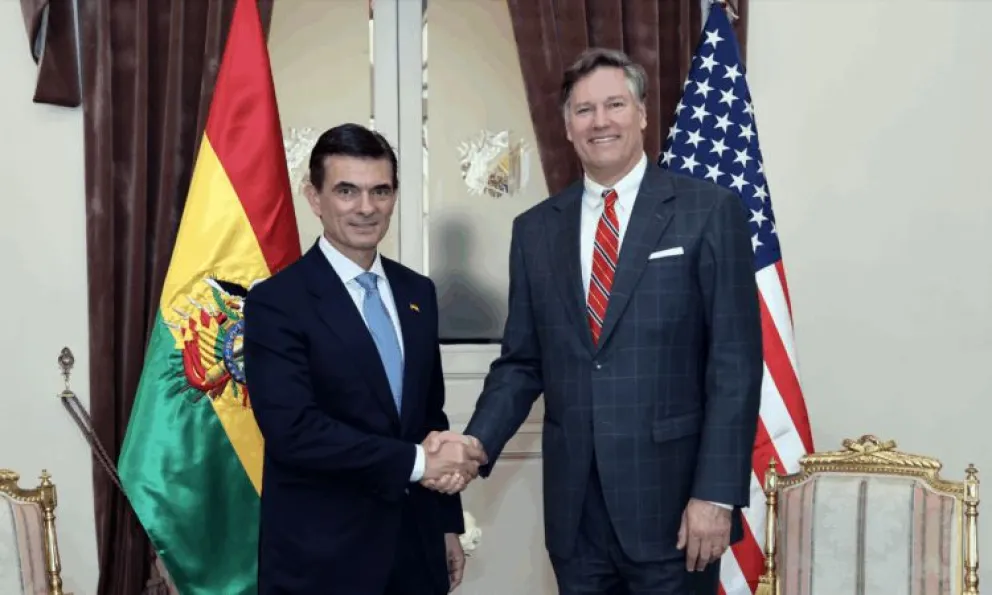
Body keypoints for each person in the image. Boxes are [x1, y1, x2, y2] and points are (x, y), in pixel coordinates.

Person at [428, 47, 763, 593]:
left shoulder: (708, 211)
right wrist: (476, 444)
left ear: (643, 113)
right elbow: (522, 362)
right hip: (576, 516)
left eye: (615, 105)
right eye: (584, 110)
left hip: (676, 511)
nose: (600, 121)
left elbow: (735, 365)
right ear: (566, 125)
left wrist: (715, 495)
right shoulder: (535, 230)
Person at [243, 123, 487, 595]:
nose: (366, 207)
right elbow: (294, 432)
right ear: (314, 198)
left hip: (415, 547)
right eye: (347, 191)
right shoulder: (277, 302)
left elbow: (428, 415)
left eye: (381, 191)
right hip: (324, 558)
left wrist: (445, 524)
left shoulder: (419, 292)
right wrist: (417, 462)